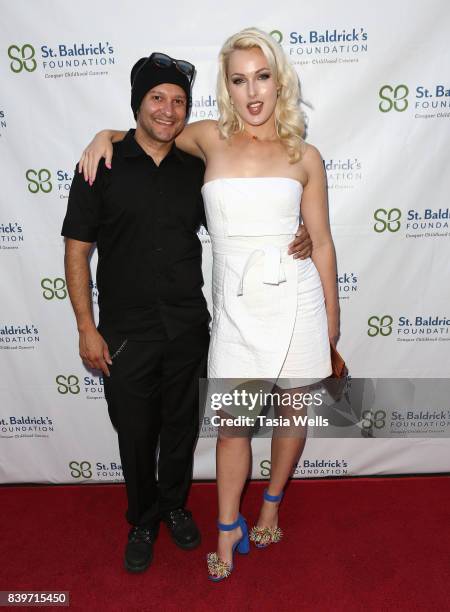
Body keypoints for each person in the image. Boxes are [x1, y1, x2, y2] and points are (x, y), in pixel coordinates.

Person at [79, 28, 339, 581]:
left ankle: (269, 505)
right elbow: (152, 133)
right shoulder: (208, 139)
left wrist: (333, 328)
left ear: (280, 82)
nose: (253, 92)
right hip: (235, 313)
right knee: (232, 428)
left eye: (263, 77)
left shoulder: (305, 155)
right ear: (226, 86)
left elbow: (322, 241)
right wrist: (104, 132)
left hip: (297, 301)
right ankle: (227, 527)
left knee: (293, 413)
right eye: (239, 79)